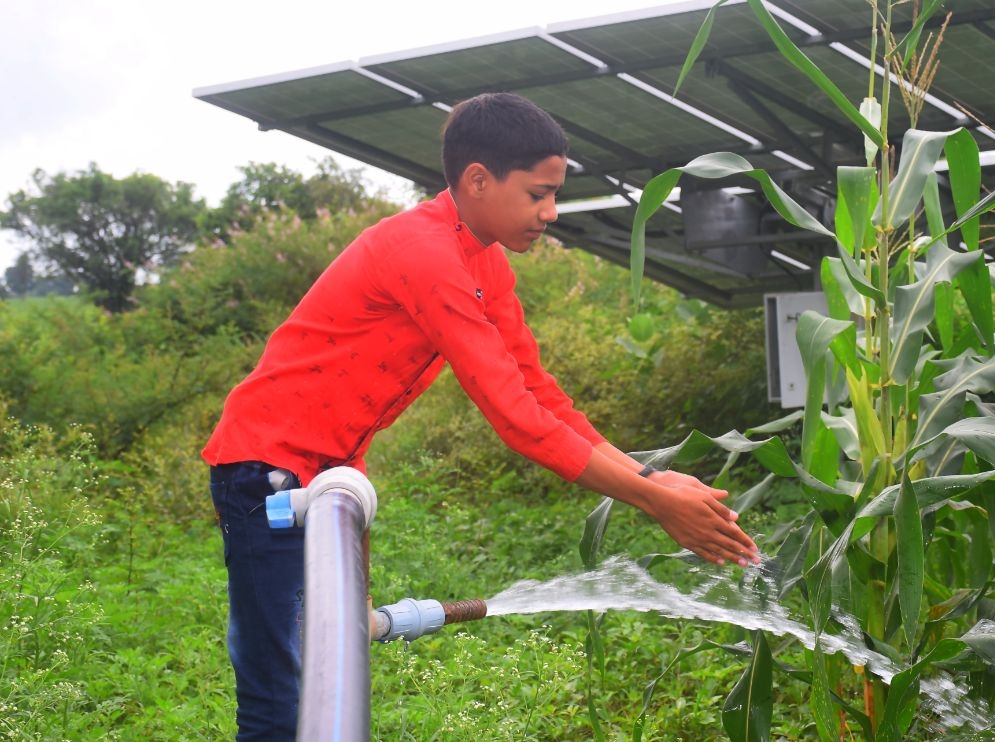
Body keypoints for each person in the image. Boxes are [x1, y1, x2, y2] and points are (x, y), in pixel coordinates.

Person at [202, 91, 759, 740]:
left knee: (331, 665)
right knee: (283, 695)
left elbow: (539, 394)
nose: (551, 212)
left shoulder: (483, 262)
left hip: (328, 470)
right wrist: (649, 500)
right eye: (537, 194)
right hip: (264, 469)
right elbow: (515, 419)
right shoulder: (426, 252)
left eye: (555, 194)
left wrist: (649, 478)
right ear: (477, 180)